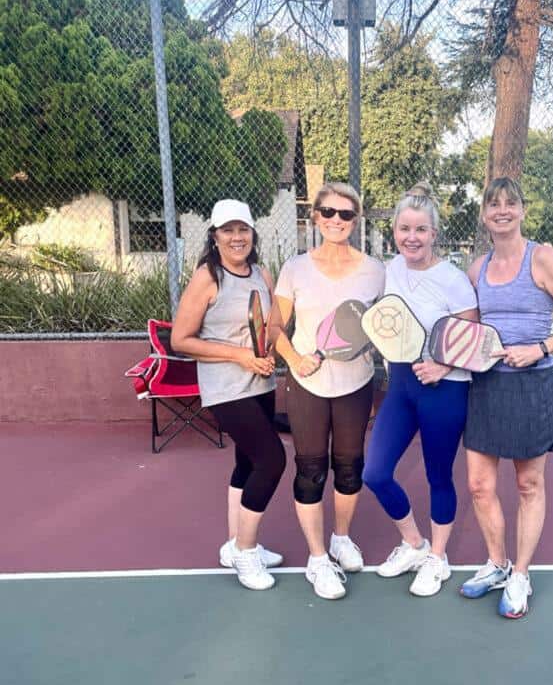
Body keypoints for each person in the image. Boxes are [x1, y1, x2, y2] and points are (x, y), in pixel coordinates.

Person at [460, 177, 553, 618]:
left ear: (522, 211)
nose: (502, 211)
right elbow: (470, 332)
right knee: (480, 486)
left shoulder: (542, 259)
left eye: (510, 203)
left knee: (527, 484)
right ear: (484, 215)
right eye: (493, 204)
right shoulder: (476, 268)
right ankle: (497, 564)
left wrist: (539, 348)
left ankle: (520, 574)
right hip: (486, 385)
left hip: (532, 384)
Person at [363, 183, 478, 596]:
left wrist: (443, 364)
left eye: (421, 230)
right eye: (405, 228)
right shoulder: (390, 270)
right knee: (374, 473)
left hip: (444, 390)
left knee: (438, 477)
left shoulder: (452, 280)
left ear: (434, 234)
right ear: (394, 230)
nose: (412, 237)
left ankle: (438, 559)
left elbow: (474, 336)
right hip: (402, 387)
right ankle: (414, 543)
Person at [272, 182, 385, 600]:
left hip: (356, 382)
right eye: (329, 212)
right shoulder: (295, 268)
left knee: (350, 466)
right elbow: (274, 329)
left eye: (346, 214)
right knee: (311, 468)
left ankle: (341, 537)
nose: (337, 220)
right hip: (306, 382)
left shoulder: (376, 270)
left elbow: (380, 326)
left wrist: (374, 342)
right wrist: (293, 358)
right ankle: (317, 559)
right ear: (315, 216)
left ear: (356, 220)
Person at [171, 199, 287, 592]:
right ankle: (246, 550)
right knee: (272, 460)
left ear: (252, 233)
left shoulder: (262, 274)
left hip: (261, 383)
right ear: (215, 236)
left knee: (247, 462)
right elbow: (181, 339)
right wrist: (238, 354)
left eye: (243, 230)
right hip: (225, 388)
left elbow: (271, 326)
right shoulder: (208, 276)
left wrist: (273, 350)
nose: (236, 237)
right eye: (228, 230)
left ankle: (232, 543)